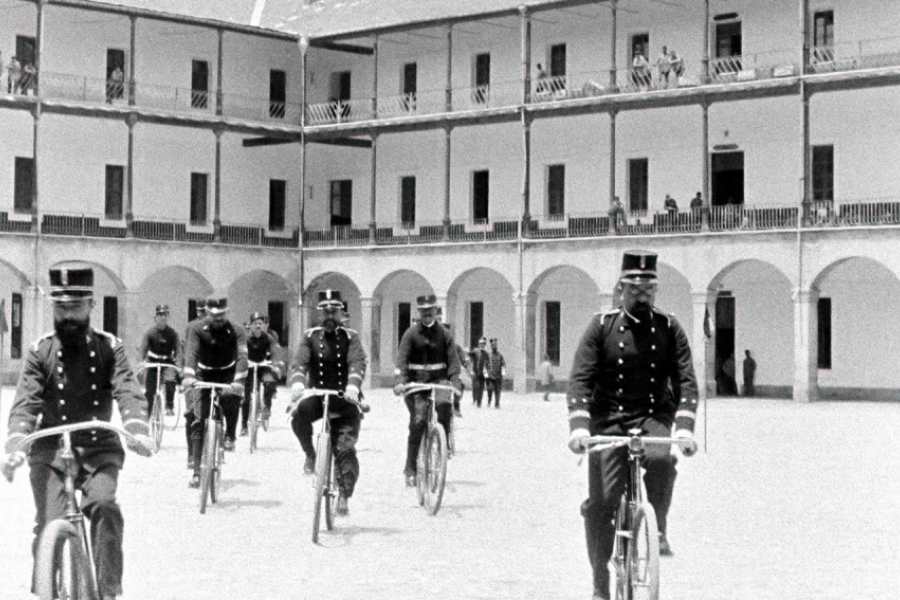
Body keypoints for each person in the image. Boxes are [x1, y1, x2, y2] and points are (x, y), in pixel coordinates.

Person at [2, 267, 154, 600]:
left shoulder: (108, 348)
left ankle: (108, 588)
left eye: (75, 307)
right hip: (51, 449)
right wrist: (15, 444)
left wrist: (136, 428)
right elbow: (26, 401)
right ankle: (48, 588)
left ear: (91, 305)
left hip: (98, 447)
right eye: (61, 308)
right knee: (47, 525)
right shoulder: (39, 351)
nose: (68, 315)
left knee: (104, 506)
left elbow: (127, 389)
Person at [566, 250, 699, 600]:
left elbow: (686, 379)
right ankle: (599, 578)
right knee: (603, 501)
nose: (642, 295)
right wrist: (580, 428)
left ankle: (657, 526)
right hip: (608, 420)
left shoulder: (669, 328)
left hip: (652, 415)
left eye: (649, 289)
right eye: (635, 288)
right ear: (621, 288)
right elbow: (580, 379)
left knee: (661, 461)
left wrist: (684, 428)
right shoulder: (601, 326)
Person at [288, 289, 367, 516]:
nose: (330, 316)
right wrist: (297, 383)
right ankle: (311, 454)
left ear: (341, 312)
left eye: (335, 311)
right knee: (298, 415)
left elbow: (357, 362)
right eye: (325, 312)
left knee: (345, 450)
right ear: (319, 313)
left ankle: (344, 494)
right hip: (318, 396)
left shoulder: (351, 337)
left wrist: (353, 386)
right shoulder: (310, 336)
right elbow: (300, 361)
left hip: (344, 399)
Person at [393, 294, 461, 487]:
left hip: (438, 381)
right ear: (419, 312)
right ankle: (410, 468)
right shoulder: (410, 334)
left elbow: (453, 362)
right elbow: (402, 360)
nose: (427, 314)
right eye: (423, 311)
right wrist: (400, 381)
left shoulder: (445, 335)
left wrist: (454, 382)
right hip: (416, 385)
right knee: (419, 421)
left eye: (430, 310)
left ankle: (443, 442)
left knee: (444, 407)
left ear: (435, 311)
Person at [182, 298, 247, 487]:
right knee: (198, 419)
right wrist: (189, 376)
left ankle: (230, 436)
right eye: (214, 315)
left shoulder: (237, 331)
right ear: (208, 313)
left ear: (227, 312)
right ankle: (196, 472)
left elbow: (243, 357)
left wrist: (238, 381)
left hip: (227, 374)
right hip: (203, 374)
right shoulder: (196, 329)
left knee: (230, 398)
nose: (218, 319)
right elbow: (191, 354)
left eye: (222, 315)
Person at [241, 312, 283, 436]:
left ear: (264, 325)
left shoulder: (268, 338)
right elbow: (241, 352)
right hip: (249, 368)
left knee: (270, 383)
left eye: (260, 323)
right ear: (250, 325)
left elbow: (275, 351)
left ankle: (267, 408)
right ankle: (243, 426)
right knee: (246, 398)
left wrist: (275, 364)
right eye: (255, 323)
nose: (258, 326)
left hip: (263, 367)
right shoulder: (246, 338)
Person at [139, 304, 181, 418]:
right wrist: (141, 361)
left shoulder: (172, 333)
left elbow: (178, 350)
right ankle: (149, 412)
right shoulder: (150, 333)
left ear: (168, 317)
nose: (163, 317)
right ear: (156, 317)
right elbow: (143, 348)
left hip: (167, 363)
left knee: (170, 380)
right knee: (150, 389)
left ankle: (169, 406)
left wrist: (178, 364)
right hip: (152, 362)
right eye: (161, 315)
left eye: (165, 315)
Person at [179, 299, 206, 469]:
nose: (202, 314)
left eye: (205, 311)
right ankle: (191, 453)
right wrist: (184, 371)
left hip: (212, 373)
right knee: (191, 414)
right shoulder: (191, 327)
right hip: (194, 373)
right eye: (200, 310)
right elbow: (185, 350)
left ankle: (219, 443)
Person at [484, 338, 506, 408]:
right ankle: (489, 401)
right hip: (490, 376)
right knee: (489, 389)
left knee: (497, 390)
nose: (494, 346)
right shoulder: (488, 355)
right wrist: (485, 373)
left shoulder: (500, 355)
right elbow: (485, 365)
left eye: (495, 345)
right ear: (491, 346)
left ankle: (497, 404)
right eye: (493, 345)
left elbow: (503, 364)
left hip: (498, 376)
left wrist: (503, 371)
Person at [469, 338, 489, 408]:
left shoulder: (486, 354)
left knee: (481, 388)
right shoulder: (475, 351)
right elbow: (469, 355)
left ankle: (479, 402)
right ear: (479, 344)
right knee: (475, 387)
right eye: (481, 344)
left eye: (483, 344)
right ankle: (475, 398)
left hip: (482, 374)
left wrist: (487, 372)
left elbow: (487, 364)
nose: (482, 345)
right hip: (475, 372)